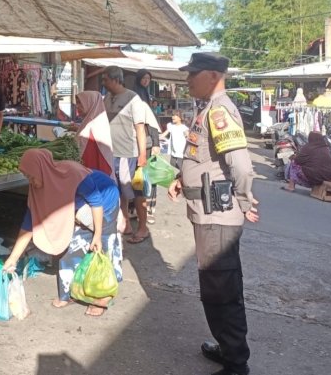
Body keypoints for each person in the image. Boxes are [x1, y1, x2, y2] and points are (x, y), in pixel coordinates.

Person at [168, 52, 257, 375]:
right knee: (214, 286)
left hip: (217, 215)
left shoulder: (219, 110)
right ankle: (227, 346)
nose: (188, 79)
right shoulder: (205, 108)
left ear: (213, 76)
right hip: (205, 212)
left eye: (193, 73)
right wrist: (182, 179)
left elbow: (242, 167)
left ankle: (236, 362)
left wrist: (244, 201)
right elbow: (203, 157)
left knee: (222, 289)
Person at [2, 149, 122, 317]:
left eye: (31, 176)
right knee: (69, 247)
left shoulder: (72, 173)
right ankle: (69, 294)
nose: (30, 181)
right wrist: (13, 258)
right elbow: (28, 225)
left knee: (101, 250)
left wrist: (97, 235)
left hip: (104, 202)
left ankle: (101, 297)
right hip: (77, 210)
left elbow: (96, 201)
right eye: (27, 177)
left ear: (41, 169)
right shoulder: (38, 188)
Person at [102, 65, 152, 242]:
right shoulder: (107, 98)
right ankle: (126, 223)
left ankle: (143, 228)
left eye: (106, 79)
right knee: (119, 191)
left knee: (137, 193)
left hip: (129, 154)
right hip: (112, 153)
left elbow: (140, 128)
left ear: (116, 80)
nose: (104, 82)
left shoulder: (133, 99)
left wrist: (142, 155)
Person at [74, 91, 113, 176]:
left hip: (91, 175)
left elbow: (87, 156)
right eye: (77, 103)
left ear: (90, 103)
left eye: (80, 103)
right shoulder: (95, 122)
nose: (77, 106)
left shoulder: (93, 126)